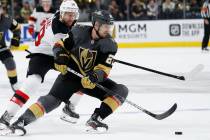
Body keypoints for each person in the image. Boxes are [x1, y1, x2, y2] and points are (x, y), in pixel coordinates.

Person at [2, 10, 129, 136]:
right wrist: (60, 57)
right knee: (52, 102)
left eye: (110, 27)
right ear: (96, 25)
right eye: (106, 27)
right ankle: (20, 122)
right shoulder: (78, 32)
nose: (109, 30)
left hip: (89, 80)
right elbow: (59, 45)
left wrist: (95, 76)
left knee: (121, 91)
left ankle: (95, 119)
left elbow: (104, 68)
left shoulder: (111, 45)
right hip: (71, 77)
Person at [0, 0, 82, 130]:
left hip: (55, 50)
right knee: (32, 83)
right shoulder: (58, 26)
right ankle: (6, 116)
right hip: (42, 54)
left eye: (73, 14)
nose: (71, 17)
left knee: (82, 75)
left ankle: (69, 106)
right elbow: (62, 48)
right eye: (68, 14)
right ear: (61, 13)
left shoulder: (61, 17)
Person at [0, 1, 21, 92]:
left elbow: (17, 28)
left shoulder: (7, 19)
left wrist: (15, 39)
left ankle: (14, 83)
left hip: (1, 47)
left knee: (10, 63)